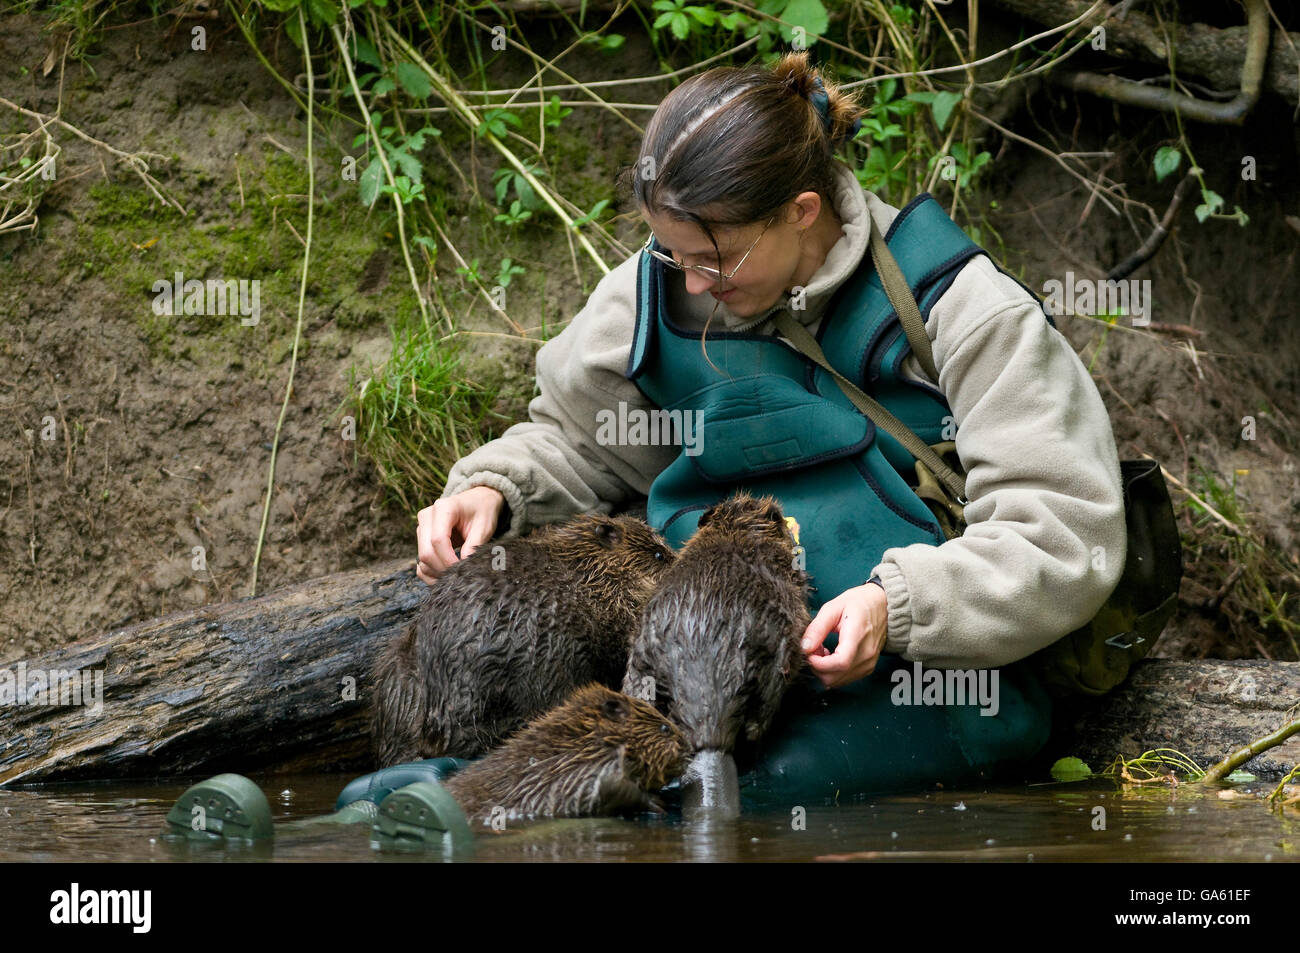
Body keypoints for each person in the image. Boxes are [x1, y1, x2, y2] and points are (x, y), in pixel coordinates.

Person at [414, 52, 1127, 799]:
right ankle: (431, 796)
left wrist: (899, 605)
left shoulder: (961, 308)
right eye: (673, 252)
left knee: (721, 798)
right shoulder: (659, 286)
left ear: (802, 211)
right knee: (603, 766)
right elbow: (581, 440)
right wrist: (498, 486)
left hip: (922, 678)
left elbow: (1062, 529)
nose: (692, 284)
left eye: (715, 260)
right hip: (698, 665)